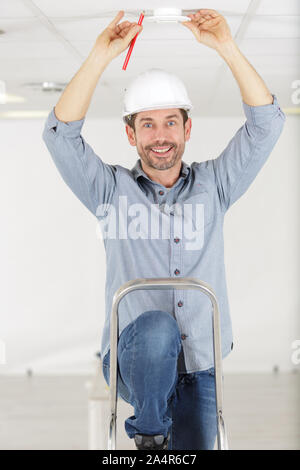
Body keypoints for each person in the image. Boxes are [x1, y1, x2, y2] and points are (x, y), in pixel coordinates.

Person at [42, 9, 286, 450]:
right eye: (147, 124)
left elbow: (267, 125)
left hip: (201, 364)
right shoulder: (108, 190)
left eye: (171, 122)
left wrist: (226, 47)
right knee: (157, 327)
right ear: (130, 134)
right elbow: (60, 136)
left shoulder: (216, 185)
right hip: (134, 360)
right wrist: (100, 54)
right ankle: (150, 437)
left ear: (188, 128)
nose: (160, 135)